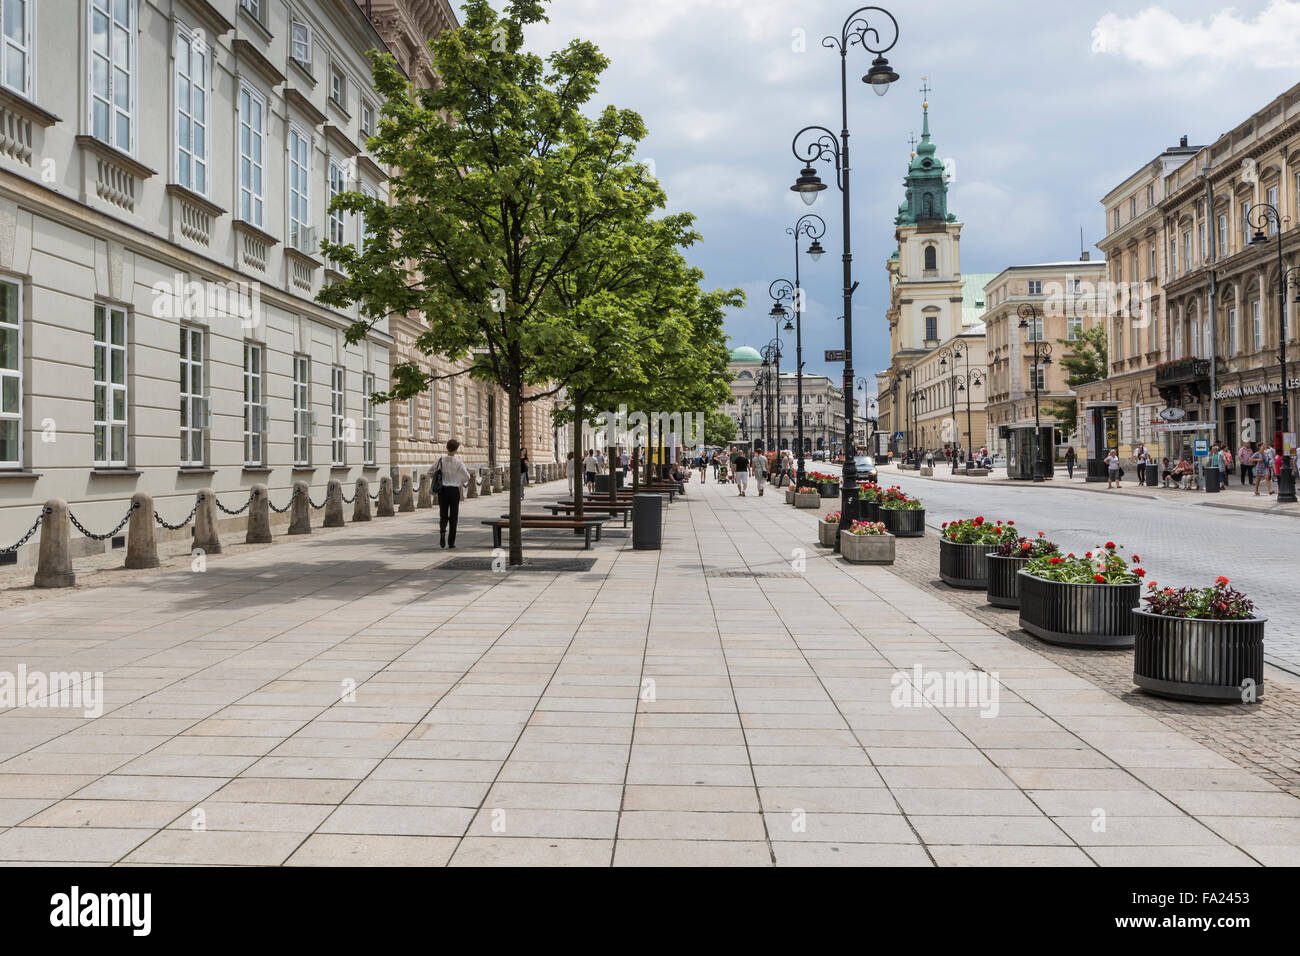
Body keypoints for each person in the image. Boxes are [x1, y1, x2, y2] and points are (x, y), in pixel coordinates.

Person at [430, 439, 471, 549]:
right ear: (456, 450)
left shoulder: (440, 460)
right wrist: (459, 482)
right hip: (454, 491)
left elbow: (430, 472)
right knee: (454, 516)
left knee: (443, 514)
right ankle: (451, 542)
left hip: (442, 490)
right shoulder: (458, 462)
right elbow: (467, 476)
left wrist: (437, 478)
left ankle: (443, 531)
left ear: (447, 448)